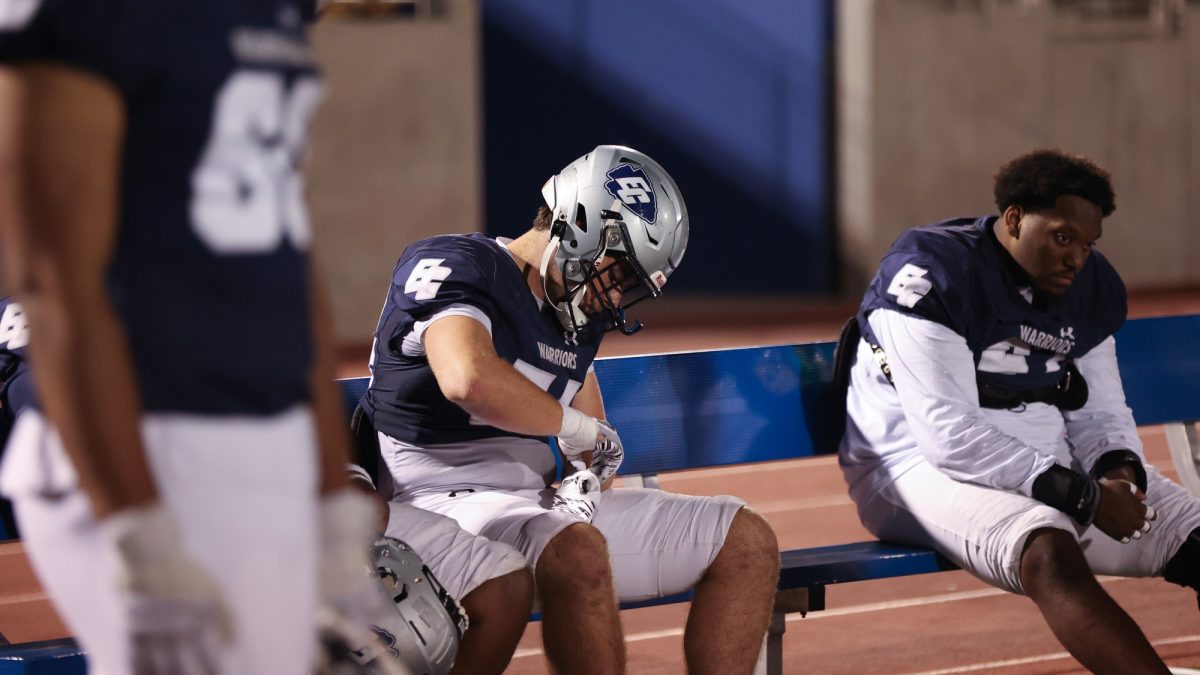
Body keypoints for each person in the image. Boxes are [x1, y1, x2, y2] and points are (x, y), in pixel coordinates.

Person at [0, 2, 395, 673]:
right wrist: (136, 529)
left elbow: (286, 262)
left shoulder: (273, 16)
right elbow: (53, 279)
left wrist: (330, 494)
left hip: (250, 432)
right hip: (135, 435)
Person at [358, 144, 780, 674]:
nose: (616, 297)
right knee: (577, 553)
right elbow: (467, 377)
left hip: (526, 502)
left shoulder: (573, 310)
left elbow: (592, 446)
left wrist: (590, 475)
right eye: (622, 274)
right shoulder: (461, 264)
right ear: (581, 223)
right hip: (433, 497)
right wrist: (577, 429)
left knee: (746, 542)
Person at [839, 148, 1200, 673]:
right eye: (1062, 237)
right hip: (911, 462)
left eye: (1087, 243)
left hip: (1040, 453)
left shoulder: (1089, 286)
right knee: (1047, 551)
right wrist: (1085, 496)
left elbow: (1099, 412)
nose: (1077, 257)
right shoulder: (932, 270)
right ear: (1013, 219)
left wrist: (1119, 478)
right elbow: (948, 433)